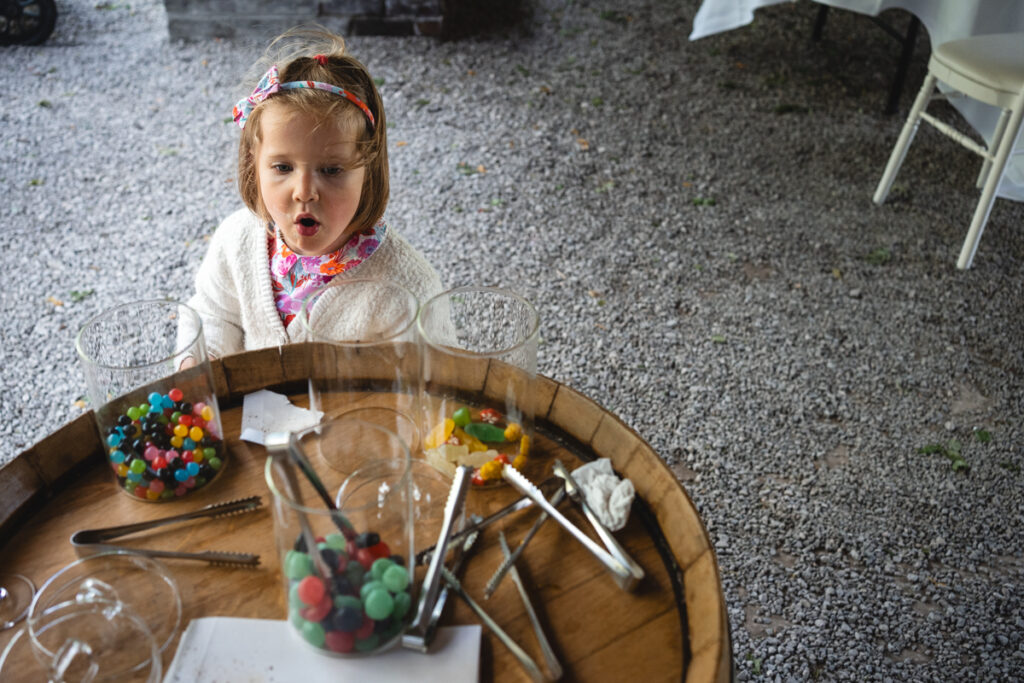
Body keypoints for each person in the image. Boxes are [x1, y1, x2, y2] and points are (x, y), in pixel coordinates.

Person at [182, 27, 445, 359]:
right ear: (254, 164)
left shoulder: (406, 287)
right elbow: (215, 315)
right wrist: (197, 364)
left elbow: (434, 380)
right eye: (282, 168)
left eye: (332, 170)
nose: (304, 192)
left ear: (369, 170)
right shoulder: (236, 242)